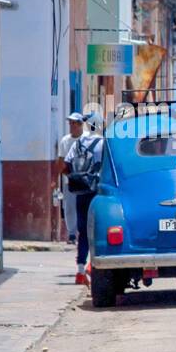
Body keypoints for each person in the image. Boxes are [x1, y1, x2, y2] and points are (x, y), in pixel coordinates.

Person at [61, 119, 105, 286]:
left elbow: (66, 165)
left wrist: (76, 178)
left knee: (83, 230)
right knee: (98, 229)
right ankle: (91, 265)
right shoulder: (104, 143)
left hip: (82, 192)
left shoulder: (78, 143)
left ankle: (80, 271)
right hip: (99, 192)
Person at [56, 112, 85, 243]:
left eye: (74, 123)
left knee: (84, 206)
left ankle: (84, 232)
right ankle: (72, 234)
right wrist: (64, 173)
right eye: (70, 123)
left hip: (86, 179)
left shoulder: (87, 139)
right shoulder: (65, 141)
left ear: (80, 124)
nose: (72, 126)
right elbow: (61, 159)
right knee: (69, 207)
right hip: (70, 179)